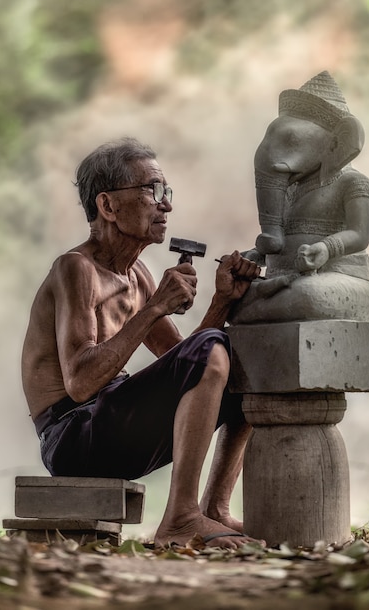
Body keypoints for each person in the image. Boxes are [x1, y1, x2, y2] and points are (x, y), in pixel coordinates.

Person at [21, 137, 262, 549]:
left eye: (165, 192)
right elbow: (79, 383)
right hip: (72, 436)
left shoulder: (138, 276)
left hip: (113, 425)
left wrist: (223, 300)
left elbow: (194, 365)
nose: (165, 204)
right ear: (108, 207)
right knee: (214, 350)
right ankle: (180, 519)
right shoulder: (75, 269)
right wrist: (154, 309)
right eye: (152, 191)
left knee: (243, 366)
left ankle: (214, 508)